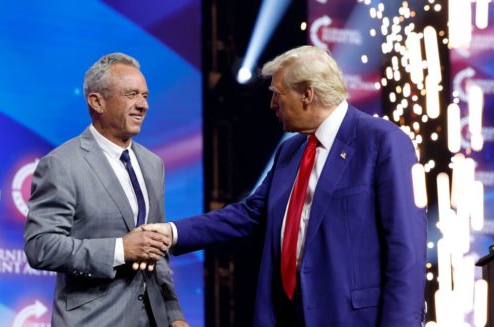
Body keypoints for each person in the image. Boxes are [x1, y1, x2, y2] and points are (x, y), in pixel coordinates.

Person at [143, 45, 427, 326]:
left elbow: (405, 250)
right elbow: (249, 214)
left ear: (307, 94)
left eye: (277, 94)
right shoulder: (289, 152)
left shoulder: (382, 142)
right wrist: (172, 233)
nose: (272, 105)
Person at [24, 53, 188, 327]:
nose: (143, 105)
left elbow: (155, 249)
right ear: (97, 101)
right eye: (132, 94)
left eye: (145, 96)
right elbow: (40, 246)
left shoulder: (152, 164)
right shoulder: (61, 164)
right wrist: (120, 249)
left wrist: (173, 313)